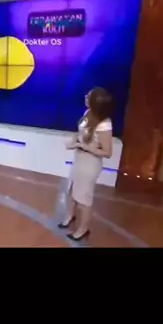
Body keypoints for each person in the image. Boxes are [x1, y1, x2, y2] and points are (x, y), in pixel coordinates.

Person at [59, 87, 114, 241]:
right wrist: (74, 141)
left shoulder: (104, 124)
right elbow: (82, 133)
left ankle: (83, 229)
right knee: (71, 189)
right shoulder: (88, 113)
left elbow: (107, 152)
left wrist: (83, 146)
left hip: (90, 164)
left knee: (83, 198)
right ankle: (69, 216)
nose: (85, 97)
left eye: (89, 96)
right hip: (79, 159)